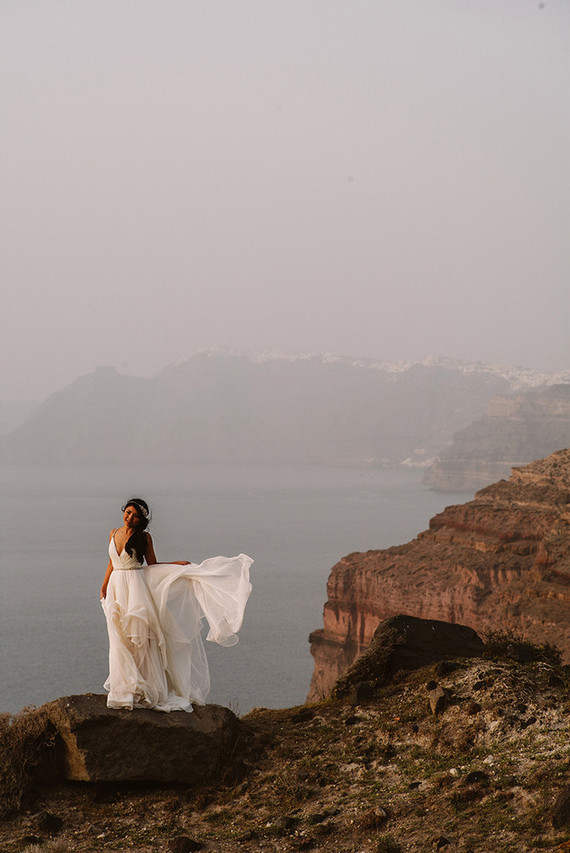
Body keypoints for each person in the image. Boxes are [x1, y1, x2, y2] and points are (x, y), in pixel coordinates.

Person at [100, 497, 252, 712]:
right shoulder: (113, 533)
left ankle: (145, 686)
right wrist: (104, 586)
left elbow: (152, 565)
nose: (129, 518)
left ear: (141, 519)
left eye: (135, 515)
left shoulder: (145, 538)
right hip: (117, 586)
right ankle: (124, 685)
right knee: (119, 636)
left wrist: (176, 565)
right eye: (128, 512)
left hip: (135, 588)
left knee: (141, 638)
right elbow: (110, 563)